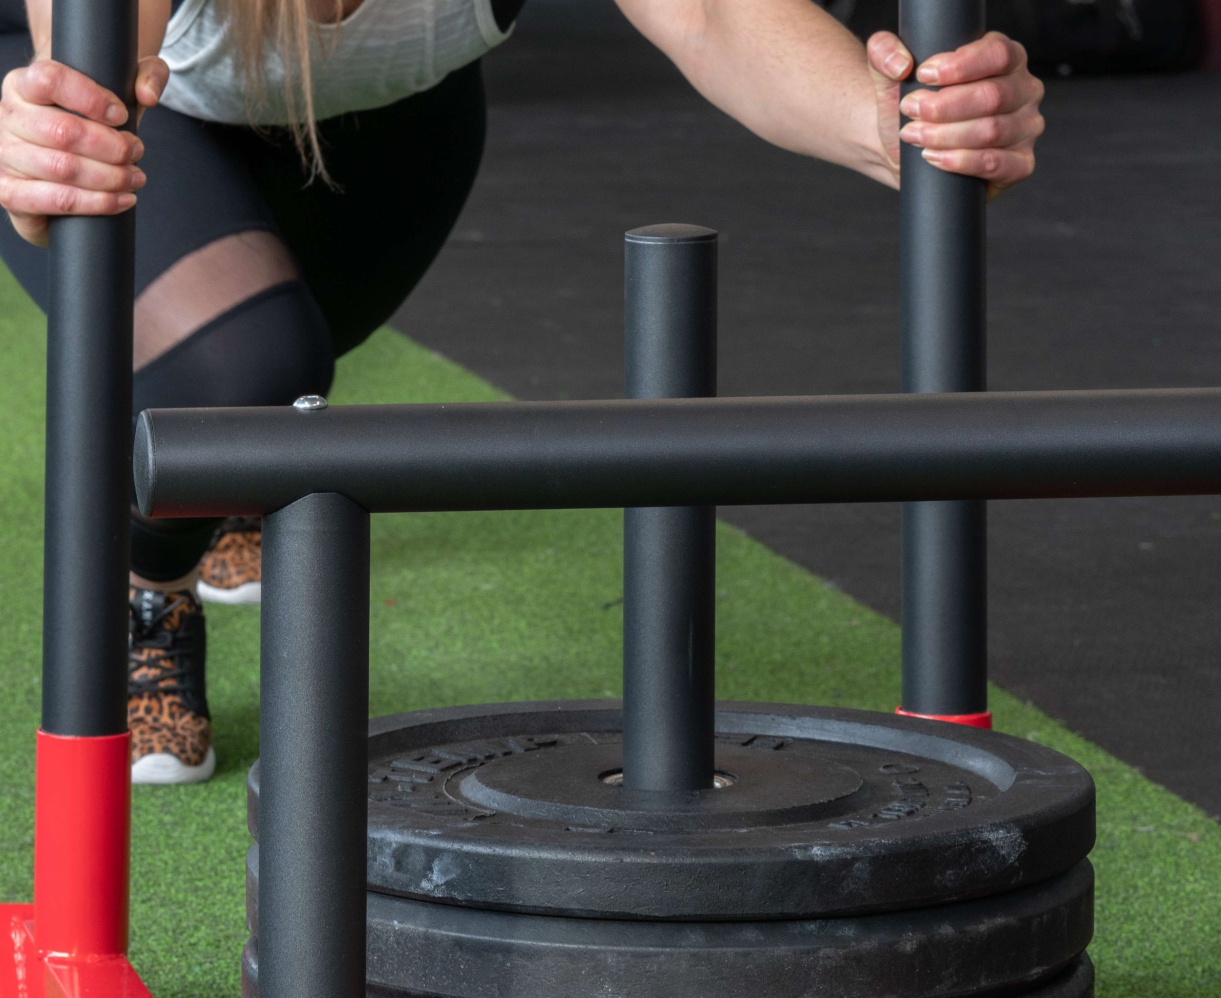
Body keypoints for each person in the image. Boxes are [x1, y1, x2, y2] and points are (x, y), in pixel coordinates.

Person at [0, 0, 1044, 783]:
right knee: (242, 368)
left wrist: (905, 128)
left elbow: (720, 18)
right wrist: (54, 144)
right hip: (158, 126)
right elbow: (90, 78)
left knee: (282, 370)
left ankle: (229, 472)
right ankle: (154, 589)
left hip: (391, 139)